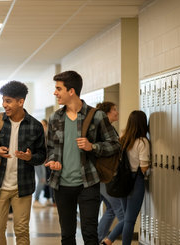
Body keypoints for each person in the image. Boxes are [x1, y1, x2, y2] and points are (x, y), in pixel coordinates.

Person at [45, 71, 120, 244]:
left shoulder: (96, 116)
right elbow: (51, 147)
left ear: (71, 91)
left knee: (90, 234)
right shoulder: (55, 118)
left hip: (88, 183)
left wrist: (92, 146)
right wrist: (53, 160)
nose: (55, 93)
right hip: (61, 185)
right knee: (67, 235)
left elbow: (115, 145)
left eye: (58, 89)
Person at [0, 81, 46, 245]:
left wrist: (30, 158)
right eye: (3, 100)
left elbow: (42, 156)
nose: (4, 105)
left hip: (22, 187)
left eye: (8, 101)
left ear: (20, 102)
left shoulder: (35, 126)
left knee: (22, 231)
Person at [101, 110, 150, 245]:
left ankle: (108, 241)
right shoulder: (142, 142)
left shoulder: (123, 139)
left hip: (122, 181)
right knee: (129, 220)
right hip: (136, 181)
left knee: (126, 217)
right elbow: (144, 167)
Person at [95, 102, 123, 242]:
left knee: (111, 209)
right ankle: (105, 239)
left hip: (103, 177)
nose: (117, 112)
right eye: (114, 110)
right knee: (122, 213)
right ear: (106, 114)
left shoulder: (111, 129)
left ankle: (97, 238)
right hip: (105, 177)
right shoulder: (103, 131)